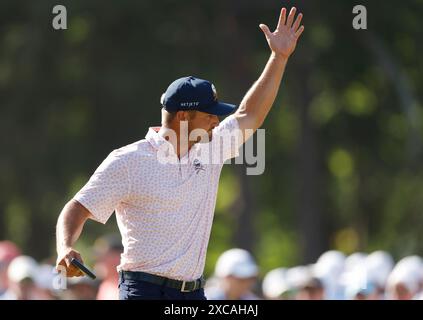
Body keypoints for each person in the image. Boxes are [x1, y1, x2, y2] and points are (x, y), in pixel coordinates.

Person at [55, 7, 304, 300]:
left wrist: (279, 58)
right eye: (209, 115)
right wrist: (65, 247)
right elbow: (77, 207)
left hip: (193, 292)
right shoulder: (128, 160)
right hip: (142, 290)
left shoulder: (210, 147)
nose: (216, 121)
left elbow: (250, 114)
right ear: (184, 117)